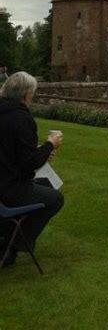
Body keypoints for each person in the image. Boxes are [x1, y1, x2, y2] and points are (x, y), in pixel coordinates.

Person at [0, 72, 64, 268]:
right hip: (9, 189)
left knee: (46, 184)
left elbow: (12, 152)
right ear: (26, 94)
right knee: (55, 198)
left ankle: (7, 234)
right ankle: (14, 242)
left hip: (4, 181)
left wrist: (41, 153)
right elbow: (29, 163)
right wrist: (50, 145)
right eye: (32, 94)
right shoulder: (22, 118)